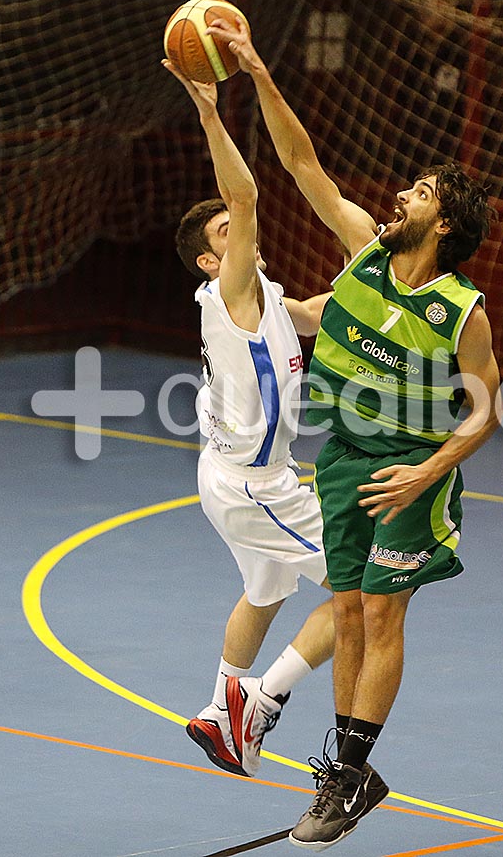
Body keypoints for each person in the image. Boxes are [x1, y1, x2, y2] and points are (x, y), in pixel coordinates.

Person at [206, 17, 501, 849]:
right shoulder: (365, 254)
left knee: (381, 609)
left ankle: (344, 772)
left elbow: (484, 404)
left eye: (421, 194)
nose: (403, 195)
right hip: (343, 460)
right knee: (345, 604)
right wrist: (259, 74)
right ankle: (353, 772)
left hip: (412, 467)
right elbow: (302, 164)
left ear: (443, 226)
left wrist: (427, 473)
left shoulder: (461, 309)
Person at [161, 58, 336, 780]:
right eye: (229, 230)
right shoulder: (230, 287)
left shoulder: (257, 289)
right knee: (365, 589)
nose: (244, 228)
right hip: (254, 484)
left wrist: (382, 273)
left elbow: (310, 315)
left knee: (265, 593)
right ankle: (260, 702)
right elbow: (246, 186)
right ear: (210, 260)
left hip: (234, 477)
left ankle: (215, 707)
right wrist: (209, 110)